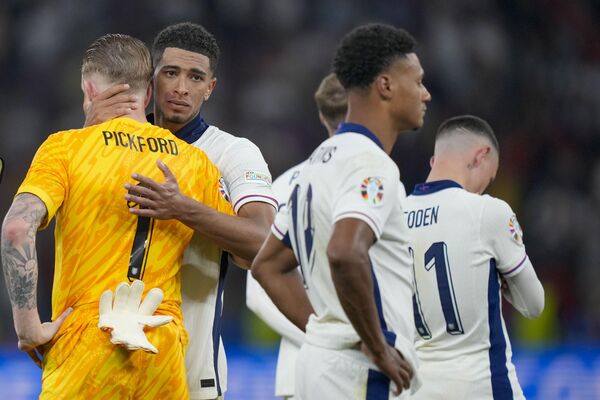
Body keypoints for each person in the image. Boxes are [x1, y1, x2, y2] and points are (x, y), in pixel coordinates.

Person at [0, 33, 232, 398]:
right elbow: (242, 246)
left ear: (89, 91)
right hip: (162, 344)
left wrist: (28, 327)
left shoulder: (66, 148)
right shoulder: (196, 163)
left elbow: (16, 228)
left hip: (87, 340)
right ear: (149, 94)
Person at [85, 22, 277, 400]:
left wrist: (181, 208)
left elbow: (262, 242)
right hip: (102, 357)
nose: (181, 88)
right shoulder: (107, 144)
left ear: (211, 87)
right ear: (150, 79)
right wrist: (88, 136)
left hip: (191, 367)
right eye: (170, 72)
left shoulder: (232, 154)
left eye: (195, 77)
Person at [252, 23, 431, 399]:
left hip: (321, 363)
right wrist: (377, 345)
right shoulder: (370, 163)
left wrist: (324, 331)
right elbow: (345, 251)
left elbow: (267, 264)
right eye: (417, 81)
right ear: (385, 85)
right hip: (360, 373)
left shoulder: (316, 163)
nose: (425, 94)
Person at [405, 115, 544, 400]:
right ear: (481, 156)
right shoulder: (487, 211)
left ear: (434, 161)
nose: (483, 188)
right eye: (488, 179)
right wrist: (505, 284)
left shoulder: (394, 217)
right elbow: (534, 305)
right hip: (481, 385)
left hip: (416, 387)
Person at [245, 72, 347, 399]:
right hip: (328, 365)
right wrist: (331, 342)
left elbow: (257, 290)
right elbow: (258, 288)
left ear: (320, 115)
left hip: (316, 368)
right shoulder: (379, 181)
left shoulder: (286, 185)